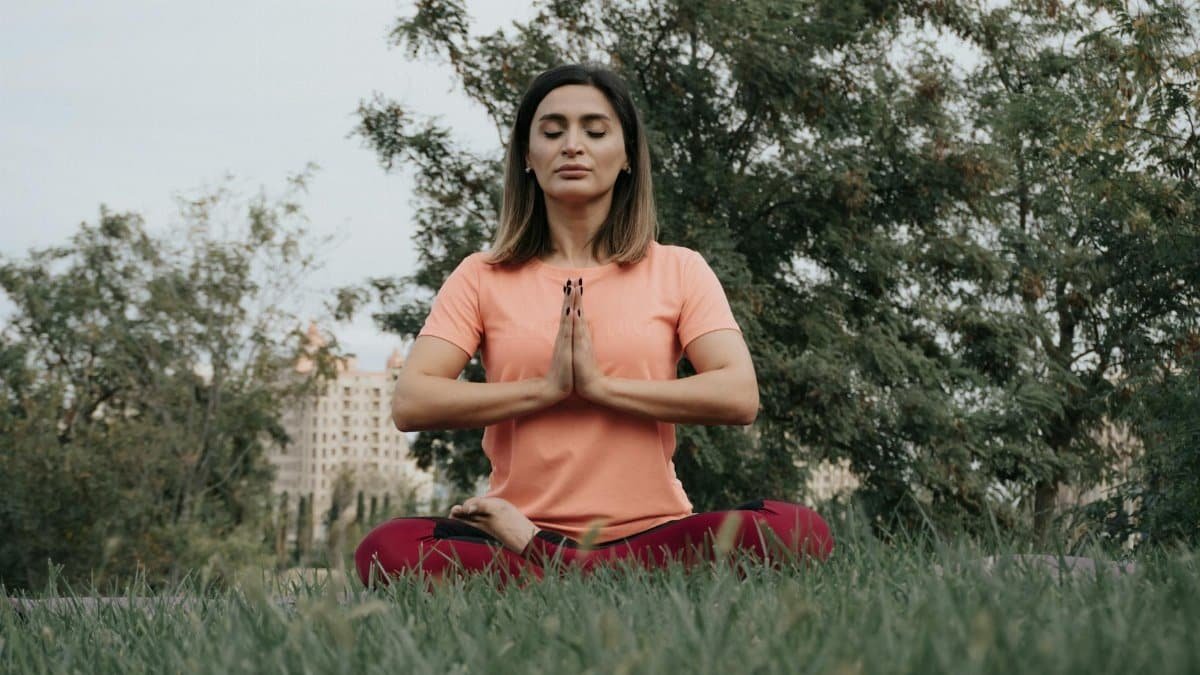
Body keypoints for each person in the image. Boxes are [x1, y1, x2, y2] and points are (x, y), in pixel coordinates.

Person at [354, 63, 833, 588]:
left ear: (627, 156)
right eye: (553, 131)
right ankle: (607, 578)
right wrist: (547, 389)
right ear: (528, 158)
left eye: (595, 131)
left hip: (651, 533)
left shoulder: (679, 269)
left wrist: (601, 388)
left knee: (797, 531)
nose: (572, 146)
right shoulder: (481, 276)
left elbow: (738, 395)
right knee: (386, 550)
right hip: (510, 529)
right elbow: (412, 402)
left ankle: (565, 568)